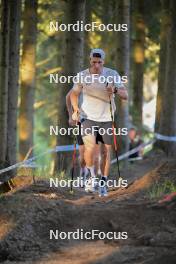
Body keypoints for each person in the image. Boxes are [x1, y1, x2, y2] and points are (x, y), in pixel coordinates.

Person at [70, 48, 128, 196]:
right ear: (90, 60)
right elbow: (74, 94)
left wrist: (114, 90)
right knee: (89, 149)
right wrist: (76, 109)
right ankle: (91, 177)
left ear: (104, 61)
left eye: (99, 62)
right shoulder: (82, 75)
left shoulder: (112, 74)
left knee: (105, 151)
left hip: (107, 119)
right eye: (94, 62)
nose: (96, 65)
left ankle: (103, 181)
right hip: (88, 118)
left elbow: (125, 95)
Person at [66, 89, 107, 190]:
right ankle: (83, 172)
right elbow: (68, 97)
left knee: (96, 157)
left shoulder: (103, 83)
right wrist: (71, 115)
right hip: (83, 122)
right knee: (83, 156)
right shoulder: (82, 83)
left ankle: (93, 178)